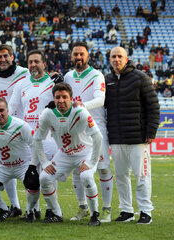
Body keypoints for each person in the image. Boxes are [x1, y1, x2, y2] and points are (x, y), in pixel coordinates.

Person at [35, 82, 103, 226]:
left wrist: (91, 162)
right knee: (44, 178)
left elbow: (98, 137)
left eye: (65, 97)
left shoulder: (80, 111)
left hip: (85, 152)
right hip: (64, 154)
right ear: (53, 98)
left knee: (86, 176)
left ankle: (95, 214)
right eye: (57, 97)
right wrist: (45, 162)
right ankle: (57, 213)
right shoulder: (47, 114)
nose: (61, 101)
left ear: (71, 98)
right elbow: (37, 138)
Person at [105, 47, 160, 224]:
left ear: (126, 58)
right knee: (121, 176)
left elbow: (153, 106)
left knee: (142, 175)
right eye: (113, 57)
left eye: (119, 56)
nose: (116, 59)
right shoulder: (106, 80)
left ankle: (145, 211)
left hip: (138, 138)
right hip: (116, 138)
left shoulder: (140, 77)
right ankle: (126, 210)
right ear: (109, 59)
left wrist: (151, 132)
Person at [64, 41, 113, 223]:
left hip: (96, 128)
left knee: (103, 169)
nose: (78, 57)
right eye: (75, 54)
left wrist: (81, 106)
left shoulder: (96, 75)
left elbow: (100, 99)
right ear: (71, 56)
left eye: (81, 54)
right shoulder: (68, 76)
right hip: (76, 130)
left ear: (88, 56)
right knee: (77, 170)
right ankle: (83, 207)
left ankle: (106, 209)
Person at [8, 49, 60, 218]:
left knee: (49, 174)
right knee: (31, 175)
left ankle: (52, 209)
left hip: (49, 137)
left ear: (44, 64)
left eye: (37, 61)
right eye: (30, 62)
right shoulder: (21, 84)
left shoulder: (54, 84)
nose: (33, 65)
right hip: (28, 137)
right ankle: (33, 210)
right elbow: (11, 108)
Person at [0, 44, 31, 216]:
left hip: (20, 126)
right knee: (6, 164)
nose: (3, 60)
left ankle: (31, 209)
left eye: (6, 56)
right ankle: (15, 206)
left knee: (25, 167)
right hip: (0, 126)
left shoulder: (24, 72)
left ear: (12, 56)